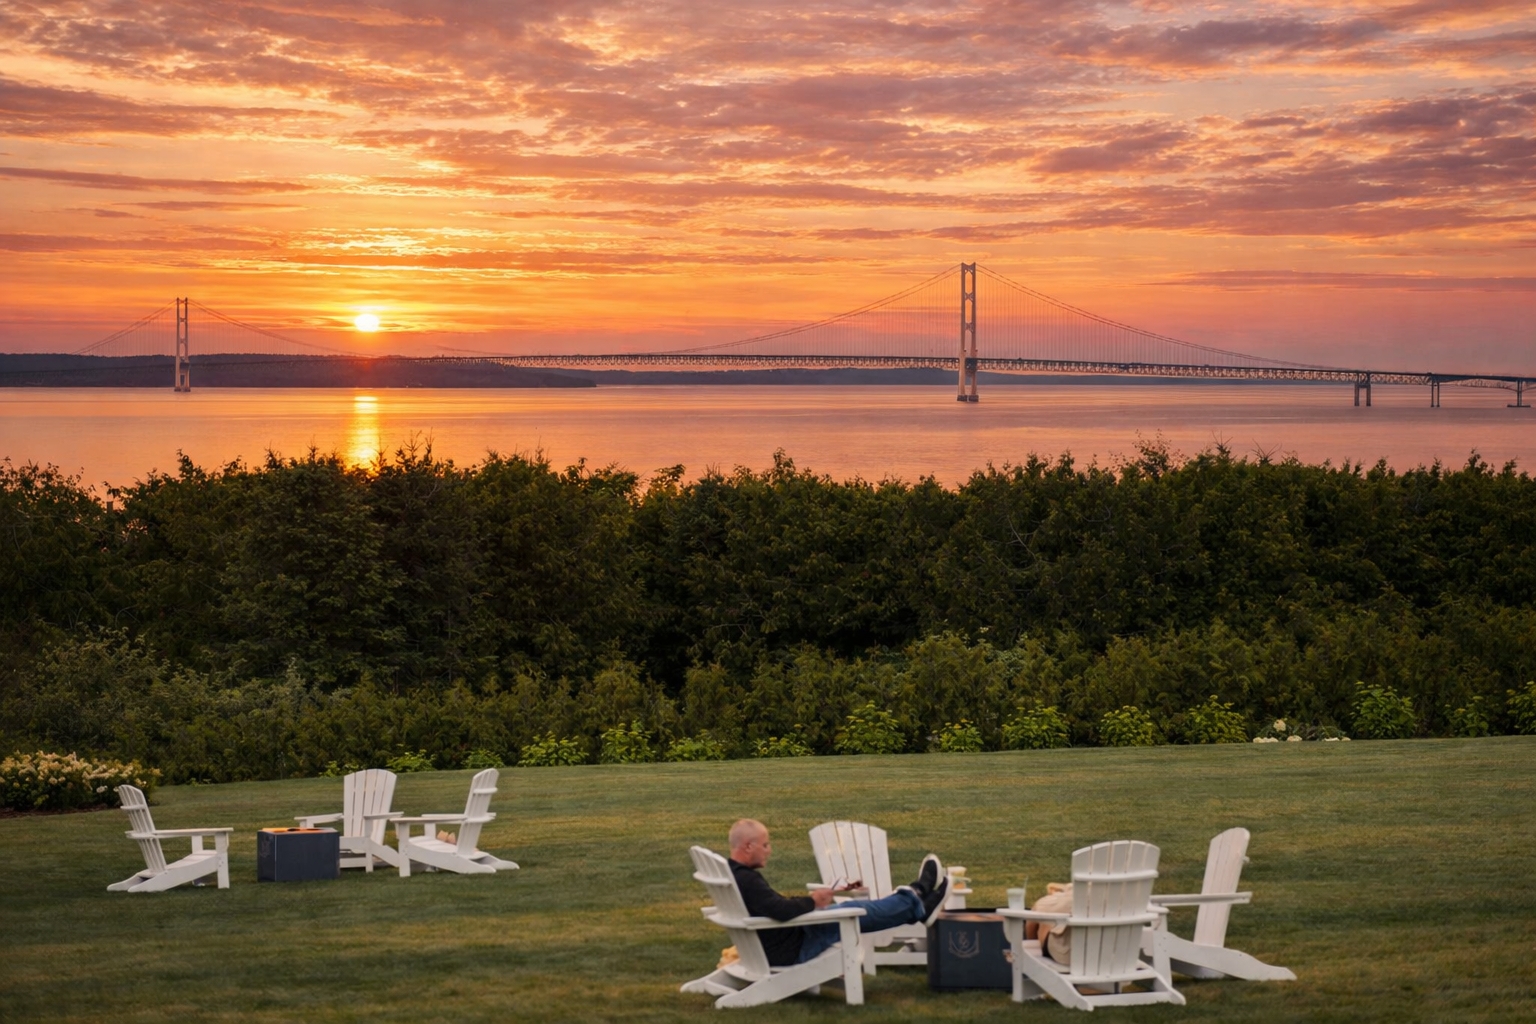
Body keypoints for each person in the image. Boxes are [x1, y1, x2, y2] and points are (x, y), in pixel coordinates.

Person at [725, 818, 949, 966]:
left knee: (849, 908)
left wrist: (810, 903)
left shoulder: (733, 874)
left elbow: (773, 906)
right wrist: (813, 902)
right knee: (854, 910)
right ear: (748, 847)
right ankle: (917, 897)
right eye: (765, 845)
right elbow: (780, 910)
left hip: (780, 942)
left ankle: (917, 901)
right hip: (791, 948)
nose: (769, 850)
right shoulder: (747, 879)